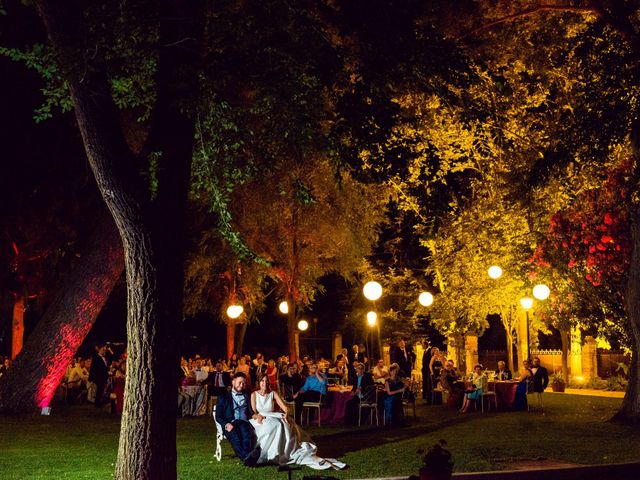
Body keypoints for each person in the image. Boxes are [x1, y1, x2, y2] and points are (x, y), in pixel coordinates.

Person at [249, 375, 345, 469]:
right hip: (261, 417)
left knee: (281, 424)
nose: (264, 383)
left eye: (266, 381)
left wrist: (286, 413)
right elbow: (253, 411)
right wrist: (258, 416)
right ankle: (269, 454)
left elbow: (285, 407)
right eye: (262, 381)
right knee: (275, 425)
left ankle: (282, 452)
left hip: (272, 415)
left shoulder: (273, 393)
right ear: (259, 382)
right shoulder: (254, 394)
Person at [215, 372, 261, 466]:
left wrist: (258, 416)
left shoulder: (247, 395)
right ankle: (248, 457)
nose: (242, 385)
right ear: (233, 382)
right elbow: (218, 416)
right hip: (231, 423)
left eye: (243, 383)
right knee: (235, 438)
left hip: (244, 422)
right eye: (240, 382)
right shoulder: (223, 397)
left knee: (246, 437)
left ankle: (247, 457)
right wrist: (226, 424)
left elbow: (251, 412)